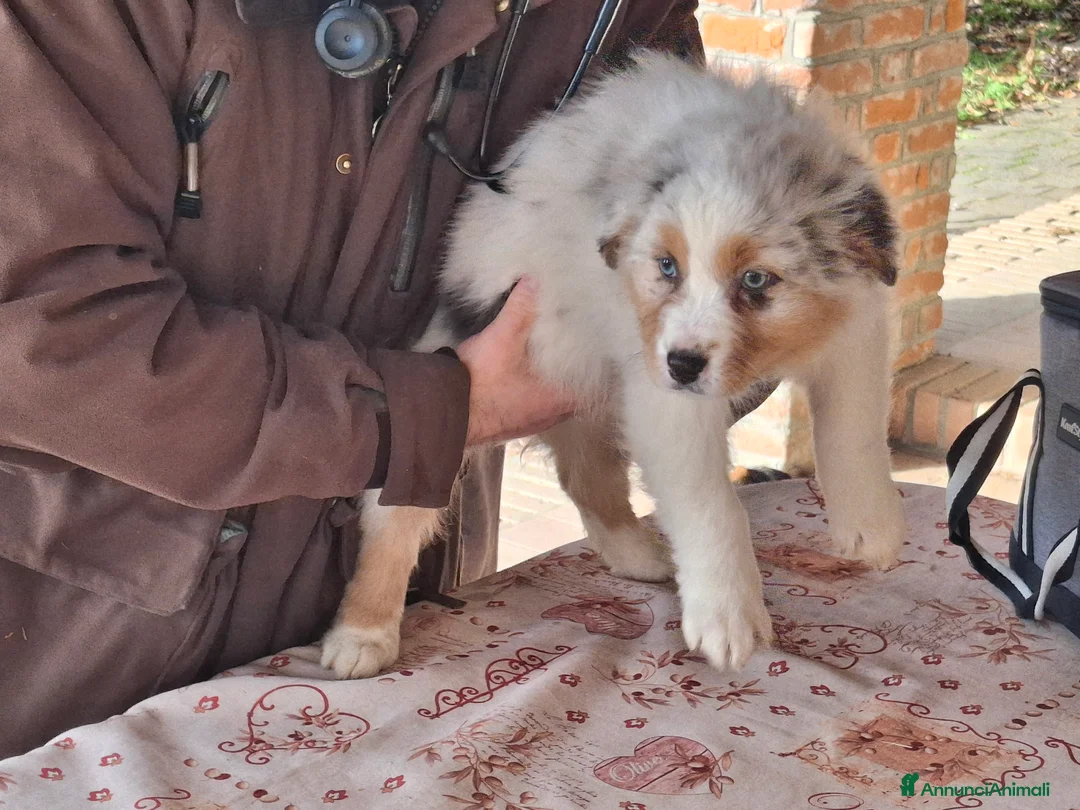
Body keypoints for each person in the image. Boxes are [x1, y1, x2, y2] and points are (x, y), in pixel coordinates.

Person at [0, 0, 752, 758]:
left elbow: (727, 278)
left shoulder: (618, 11)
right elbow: (44, 330)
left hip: (416, 628)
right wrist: (434, 416)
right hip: (92, 637)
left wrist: (722, 331)